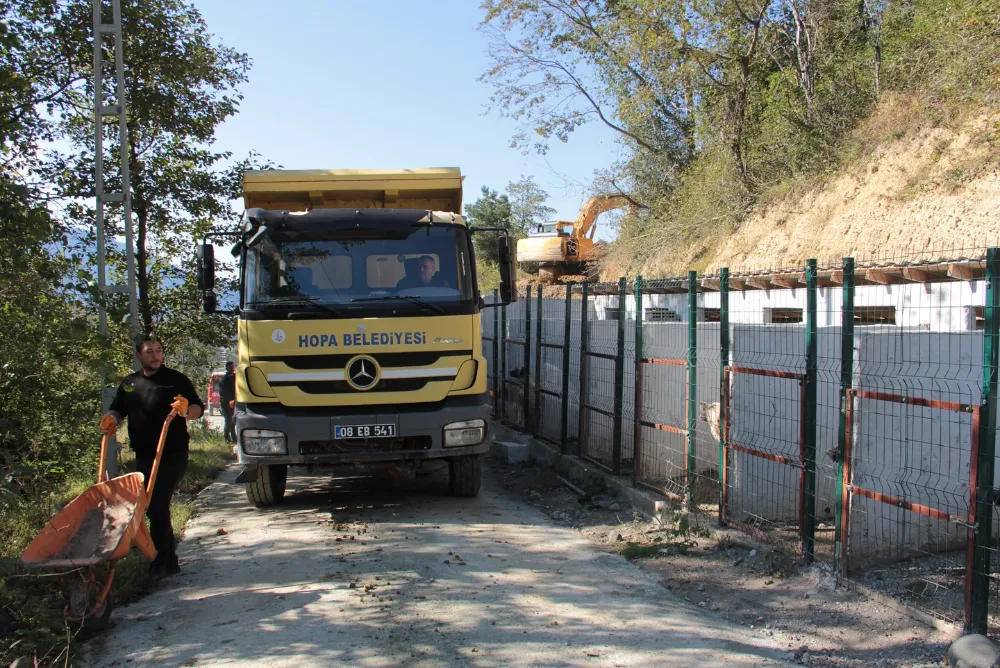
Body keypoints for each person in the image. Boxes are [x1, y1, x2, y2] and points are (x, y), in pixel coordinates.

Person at [100, 335, 204, 576]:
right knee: (148, 506)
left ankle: (165, 561)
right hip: (144, 454)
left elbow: (198, 409)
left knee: (157, 504)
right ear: (139, 356)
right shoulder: (130, 383)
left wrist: (185, 410)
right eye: (150, 352)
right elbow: (118, 408)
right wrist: (112, 419)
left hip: (173, 453)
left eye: (159, 351)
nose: (156, 356)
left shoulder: (176, 380)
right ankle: (162, 557)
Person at [220, 361, 237, 444]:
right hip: (226, 404)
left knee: (233, 422)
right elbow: (223, 393)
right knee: (228, 421)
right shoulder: (224, 380)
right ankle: (226, 439)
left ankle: (234, 439)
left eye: (233, 367)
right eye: (231, 367)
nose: (232, 369)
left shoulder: (235, 377)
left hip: (234, 403)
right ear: (227, 368)